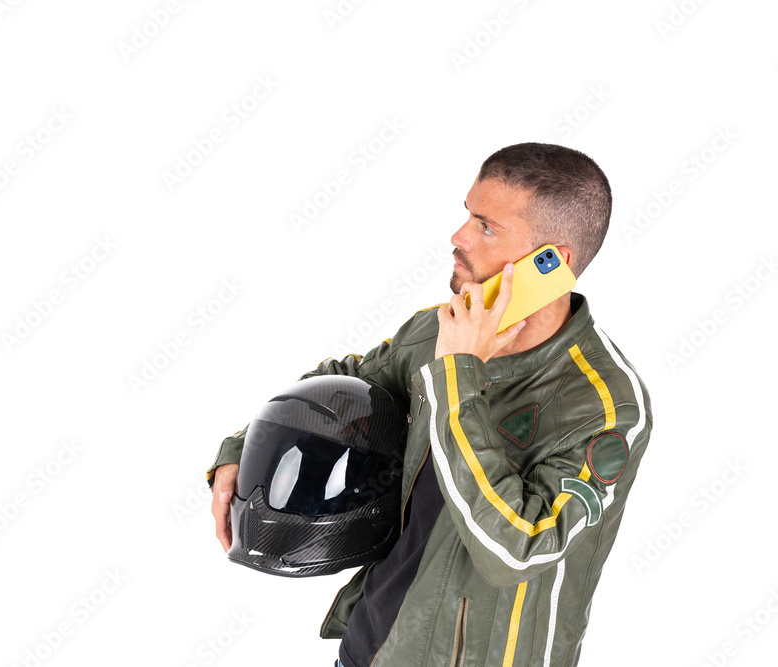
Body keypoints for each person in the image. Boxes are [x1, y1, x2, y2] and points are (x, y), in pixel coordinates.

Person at [206, 143, 653, 666]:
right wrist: (240, 449)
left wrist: (457, 372)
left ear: (552, 263)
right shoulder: (436, 329)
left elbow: (517, 548)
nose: (458, 237)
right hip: (369, 648)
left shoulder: (606, 407)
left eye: (486, 227)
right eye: (467, 215)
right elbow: (344, 386)